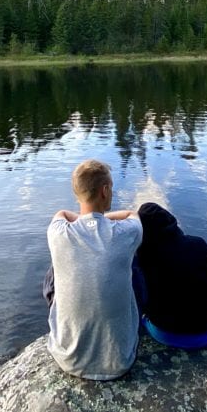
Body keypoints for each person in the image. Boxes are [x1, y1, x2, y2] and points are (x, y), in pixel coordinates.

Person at [44, 159, 143, 380]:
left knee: (57, 265)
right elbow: (132, 214)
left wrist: (85, 220)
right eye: (112, 188)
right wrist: (100, 220)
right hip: (119, 361)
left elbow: (61, 213)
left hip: (68, 359)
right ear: (105, 191)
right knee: (131, 263)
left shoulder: (57, 232)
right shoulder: (126, 233)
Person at [136, 201, 207, 350]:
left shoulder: (141, 257)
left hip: (161, 333)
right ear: (171, 221)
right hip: (199, 336)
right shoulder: (197, 245)